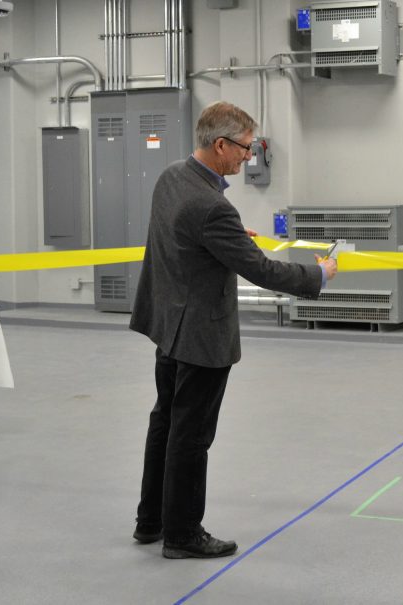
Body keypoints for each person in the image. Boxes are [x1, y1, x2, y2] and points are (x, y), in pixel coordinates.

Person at [129, 101, 338, 559]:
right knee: (192, 434)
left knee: (165, 420)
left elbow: (184, 240)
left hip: (168, 325)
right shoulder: (211, 207)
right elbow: (262, 270)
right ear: (220, 145)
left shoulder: (172, 178)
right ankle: (183, 534)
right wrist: (319, 274)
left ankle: (152, 521)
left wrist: (226, 236)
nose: (250, 156)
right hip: (201, 336)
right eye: (245, 148)